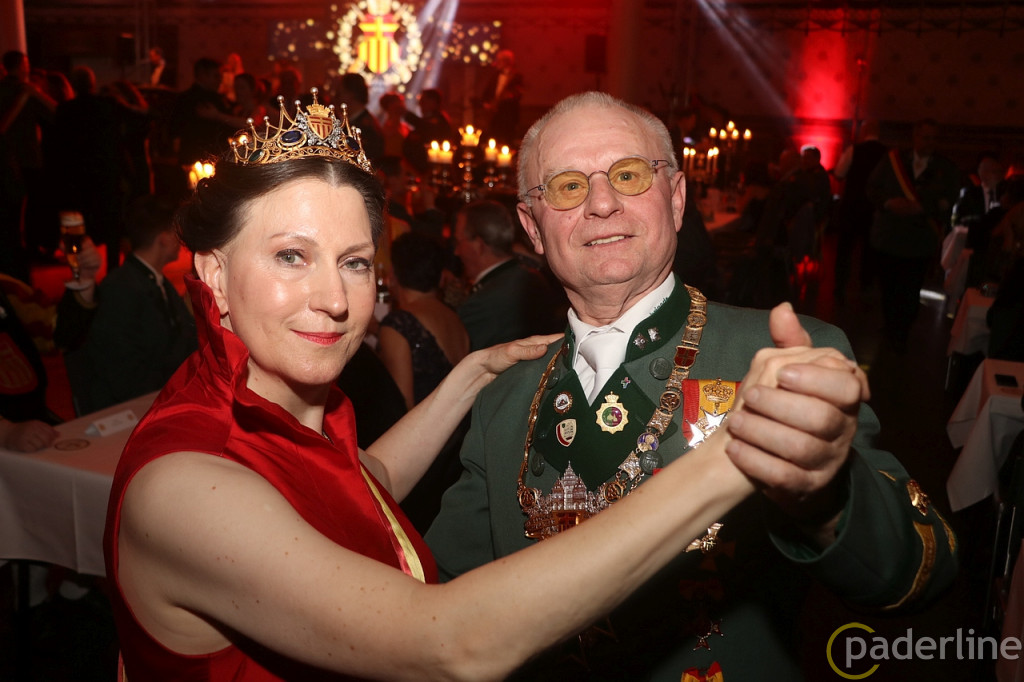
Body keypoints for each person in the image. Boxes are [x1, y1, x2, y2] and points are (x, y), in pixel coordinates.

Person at [103, 92, 849, 681]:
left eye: (355, 262)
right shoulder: (184, 485)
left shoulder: (264, 412)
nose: (333, 298)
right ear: (213, 273)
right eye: (291, 256)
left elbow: (350, 488)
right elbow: (450, 641)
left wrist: (468, 378)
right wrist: (731, 458)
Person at [425, 92, 958, 680]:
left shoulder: (780, 357)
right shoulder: (504, 398)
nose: (601, 203)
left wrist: (827, 495)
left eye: (629, 175)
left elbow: (917, 570)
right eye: (568, 186)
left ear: (676, 199)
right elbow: (437, 604)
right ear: (532, 227)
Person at [63, 195, 197, 413]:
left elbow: (187, 341)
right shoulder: (120, 288)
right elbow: (123, 372)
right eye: (176, 232)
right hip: (131, 409)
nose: (181, 240)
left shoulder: (155, 280)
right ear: (163, 238)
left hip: (162, 397)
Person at [867, 118, 960, 352]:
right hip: (889, 237)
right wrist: (889, 203)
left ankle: (902, 331)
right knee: (888, 286)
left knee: (910, 289)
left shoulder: (945, 167)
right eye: (925, 137)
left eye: (934, 138)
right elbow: (872, 189)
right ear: (915, 137)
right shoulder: (893, 161)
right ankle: (890, 325)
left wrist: (922, 207)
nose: (930, 142)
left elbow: (950, 197)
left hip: (919, 241)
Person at [454, 199, 561, 350]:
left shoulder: (482, 304)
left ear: (479, 245)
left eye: (459, 242)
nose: (456, 251)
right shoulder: (531, 277)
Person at [378, 231, 469, 410]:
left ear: (393, 275)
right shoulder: (453, 316)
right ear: (440, 277)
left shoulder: (399, 325)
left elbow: (402, 408)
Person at [832, 119, 887, 304]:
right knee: (870, 251)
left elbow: (839, 174)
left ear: (864, 132)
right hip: (875, 209)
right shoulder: (887, 154)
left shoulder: (854, 150)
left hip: (852, 207)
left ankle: (840, 287)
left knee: (845, 250)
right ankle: (866, 286)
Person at [479, 49, 523, 145]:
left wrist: (509, 97)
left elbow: (518, 95)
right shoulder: (495, 75)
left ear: (507, 62)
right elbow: (487, 92)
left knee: (506, 141)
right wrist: (486, 103)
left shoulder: (517, 76)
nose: (496, 63)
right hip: (495, 115)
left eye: (499, 61)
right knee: (493, 139)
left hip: (508, 116)